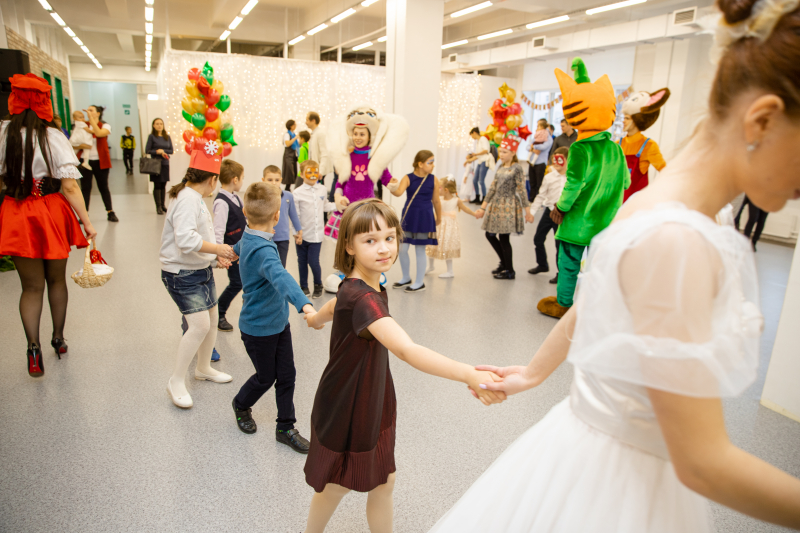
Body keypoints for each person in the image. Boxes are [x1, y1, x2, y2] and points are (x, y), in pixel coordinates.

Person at [431, 1, 800, 530]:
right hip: (623, 484)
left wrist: (535, 372)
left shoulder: (650, 205)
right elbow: (703, 463)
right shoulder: (678, 237)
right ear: (762, 119)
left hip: (584, 452)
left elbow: (593, 299)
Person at [301, 198, 504, 533]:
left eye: (389, 237)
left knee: (384, 481)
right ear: (349, 246)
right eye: (370, 240)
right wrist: (468, 373)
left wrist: (315, 319)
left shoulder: (361, 283)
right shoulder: (365, 299)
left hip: (369, 393)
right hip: (348, 402)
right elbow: (407, 349)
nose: (384, 248)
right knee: (336, 484)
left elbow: (336, 304)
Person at [0, 73, 96, 377]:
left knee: (30, 287)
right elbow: (70, 186)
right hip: (50, 211)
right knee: (56, 281)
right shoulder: (53, 137)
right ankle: (58, 338)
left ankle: (33, 348)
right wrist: (87, 222)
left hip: (16, 212)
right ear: (44, 103)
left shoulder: (3, 133)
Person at [537, 58, 629, 319]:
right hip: (607, 220)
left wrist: (561, 207)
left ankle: (564, 304)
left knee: (569, 262)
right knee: (599, 266)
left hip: (580, 219)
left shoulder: (579, 148)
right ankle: (597, 306)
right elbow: (626, 182)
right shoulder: (615, 148)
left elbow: (574, 184)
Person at [231, 181, 316, 454]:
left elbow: (239, 245)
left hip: (278, 323)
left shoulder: (250, 235)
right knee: (266, 377)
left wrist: (231, 253)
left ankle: (285, 427)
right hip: (258, 330)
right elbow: (282, 278)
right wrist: (305, 305)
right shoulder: (264, 250)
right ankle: (241, 404)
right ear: (278, 216)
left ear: (245, 212)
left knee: (287, 374)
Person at [160, 146, 236, 409]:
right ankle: (176, 380)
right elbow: (185, 239)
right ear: (213, 179)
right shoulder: (187, 200)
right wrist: (218, 249)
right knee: (200, 326)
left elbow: (199, 238)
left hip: (199, 269)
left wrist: (214, 259)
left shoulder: (195, 198)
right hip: (182, 274)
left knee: (212, 320)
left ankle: (203, 368)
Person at [327, 108, 407, 240]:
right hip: (348, 205)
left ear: (369, 136)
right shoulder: (347, 156)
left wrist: (392, 183)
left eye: (362, 134)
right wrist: (338, 196)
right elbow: (341, 182)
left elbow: (386, 177)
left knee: (364, 240)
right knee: (347, 242)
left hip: (367, 206)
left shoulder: (375, 157)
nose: (358, 137)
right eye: (355, 134)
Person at [475, 136, 534, 280]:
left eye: (505, 152)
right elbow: (493, 188)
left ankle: (510, 271)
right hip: (496, 205)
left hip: (508, 206)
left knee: (504, 238)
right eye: (500, 151)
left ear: (513, 153)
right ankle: (504, 263)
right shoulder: (501, 167)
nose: (501, 155)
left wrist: (528, 211)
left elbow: (522, 190)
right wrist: (483, 208)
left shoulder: (517, 168)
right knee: (489, 235)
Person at [388, 150, 441, 292]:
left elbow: (436, 200)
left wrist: (439, 217)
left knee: (420, 249)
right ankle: (406, 277)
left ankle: (419, 282)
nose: (433, 165)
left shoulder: (433, 179)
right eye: (430, 162)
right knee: (402, 249)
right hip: (409, 216)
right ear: (420, 164)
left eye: (433, 162)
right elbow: (398, 192)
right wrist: (391, 186)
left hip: (425, 218)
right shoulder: (408, 177)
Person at [293, 160, 336, 298]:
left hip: (316, 235)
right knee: (302, 262)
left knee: (313, 261)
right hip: (301, 235)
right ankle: (303, 286)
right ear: (302, 174)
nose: (313, 174)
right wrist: (296, 233)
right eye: (309, 172)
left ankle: (318, 284)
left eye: (315, 172)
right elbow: (295, 215)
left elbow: (325, 206)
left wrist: (338, 205)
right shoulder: (297, 193)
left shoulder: (322, 189)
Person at [620, 88, 670, 202]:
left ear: (636, 119)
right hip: (616, 201)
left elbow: (664, 171)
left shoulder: (649, 146)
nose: (623, 121)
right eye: (623, 118)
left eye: (627, 118)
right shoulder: (618, 144)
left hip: (635, 202)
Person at [528, 147, 569, 282]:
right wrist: (532, 212)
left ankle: (560, 273)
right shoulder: (549, 177)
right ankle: (542, 265)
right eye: (554, 159)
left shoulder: (572, 178)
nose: (556, 162)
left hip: (563, 215)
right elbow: (541, 195)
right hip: (548, 211)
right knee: (538, 239)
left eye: (560, 159)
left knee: (559, 245)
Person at [213, 159, 245, 333]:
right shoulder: (221, 202)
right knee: (237, 282)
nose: (242, 182)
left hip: (242, 249)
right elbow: (218, 231)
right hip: (231, 251)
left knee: (244, 281)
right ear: (235, 179)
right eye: (242, 178)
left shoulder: (236, 198)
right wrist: (220, 254)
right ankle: (219, 312)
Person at [425, 177, 477, 278]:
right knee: (432, 244)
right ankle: (430, 266)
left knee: (447, 246)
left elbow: (465, 209)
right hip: (437, 225)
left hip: (449, 227)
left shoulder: (456, 200)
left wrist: (474, 214)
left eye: (439, 188)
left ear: (446, 190)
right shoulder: (438, 199)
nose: (437, 190)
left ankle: (450, 271)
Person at [81, 105, 118, 222]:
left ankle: (110, 212)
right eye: (88, 110)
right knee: (85, 188)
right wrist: (81, 145)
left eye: (91, 110)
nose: (88, 112)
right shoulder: (83, 125)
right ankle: (84, 214)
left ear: (98, 113)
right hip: (85, 161)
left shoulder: (105, 125)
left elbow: (99, 133)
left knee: (103, 187)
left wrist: (91, 120)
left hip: (101, 161)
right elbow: (74, 141)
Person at [262, 165, 301, 267]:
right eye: (270, 180)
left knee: (281, 266)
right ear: (263, 180)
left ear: (281, 180)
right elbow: (258, 217)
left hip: (283, 239)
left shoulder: (288, 196)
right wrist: (265, 229)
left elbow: (293, 214)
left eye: (277, 180)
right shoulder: (261, 197)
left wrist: (299, 230)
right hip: (266, 238)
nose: (274, 183)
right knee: (268, 266)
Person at [145, 118, 173, 214]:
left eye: (161, 123)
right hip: (155, 164)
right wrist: (157, 152)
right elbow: (147, 150)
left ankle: (163, 205)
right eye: (157, 124)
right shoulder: (151, 137)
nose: (159, 125)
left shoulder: (167, 137)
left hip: (165, 163)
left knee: (163, 185)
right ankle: (158, 207)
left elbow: (171, 150)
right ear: (153, 125)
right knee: (157, 185)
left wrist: (163, 151)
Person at [300, 112, 332, 190]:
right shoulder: (314, 134)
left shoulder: (320, 133)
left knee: (319, 190)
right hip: (314, 169)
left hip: (318, 170)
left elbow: (324, 154)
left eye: (307, 120)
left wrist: (320, 171)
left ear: (313, 120)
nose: (306, 122)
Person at [527, 118, 553, 200]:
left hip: (541, 163)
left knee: (539, 184)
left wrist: (534, 147)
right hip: (532, 162)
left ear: (543, 126)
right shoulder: (536, 136)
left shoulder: (548, 137)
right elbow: (528, 147)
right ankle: (532, 199)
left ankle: (539, 201)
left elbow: (544, 147)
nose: (537, 127)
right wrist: (533, 148)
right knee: (532, 182)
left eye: (538, 125)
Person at [465, 127, 492, 204]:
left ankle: (484, 199)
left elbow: (486, 151)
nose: (472, 137)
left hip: (484, 162)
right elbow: (478, 156)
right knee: (474, 180)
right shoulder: (478, 142)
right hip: (480, 162)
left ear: (474, 132)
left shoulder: (483, 139)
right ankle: (477, 197)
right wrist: (469, 160)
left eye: (471, 135)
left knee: (481, 181)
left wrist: (475, 154)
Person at [282, 119, 299, 191]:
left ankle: (288, 188)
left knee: (293, 172)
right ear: (291, 126)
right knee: (289, 172)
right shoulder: (287, 134)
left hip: (293, 155)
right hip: (288, 155)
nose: (295, 126)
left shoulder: (293, 134)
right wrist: (295, 138)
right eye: (294, 124)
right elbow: (287, 144)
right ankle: (287, 189)